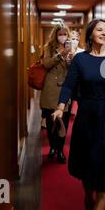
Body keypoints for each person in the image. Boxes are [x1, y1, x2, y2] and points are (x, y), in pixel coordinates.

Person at [52, 19, 105, 210]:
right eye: (99, 30)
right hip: (86, 116)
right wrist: (61, 107)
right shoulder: (80, 59)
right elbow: (69, 84)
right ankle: (88, 197)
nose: (104, 33)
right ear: (90, 34)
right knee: (88, 161)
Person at [40, 23, 72, 163]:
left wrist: (70, 58)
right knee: (50, 120)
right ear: (56, 35)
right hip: (51, 88)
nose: (63, 37)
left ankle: (60, 150)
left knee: (63, 121)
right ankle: (52, 147)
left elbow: (74, 68)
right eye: (60, 34)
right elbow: (46, 64)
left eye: (65, 34)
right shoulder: (49, 47)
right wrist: (60, 55)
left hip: (65, 88)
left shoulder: (72, 47)